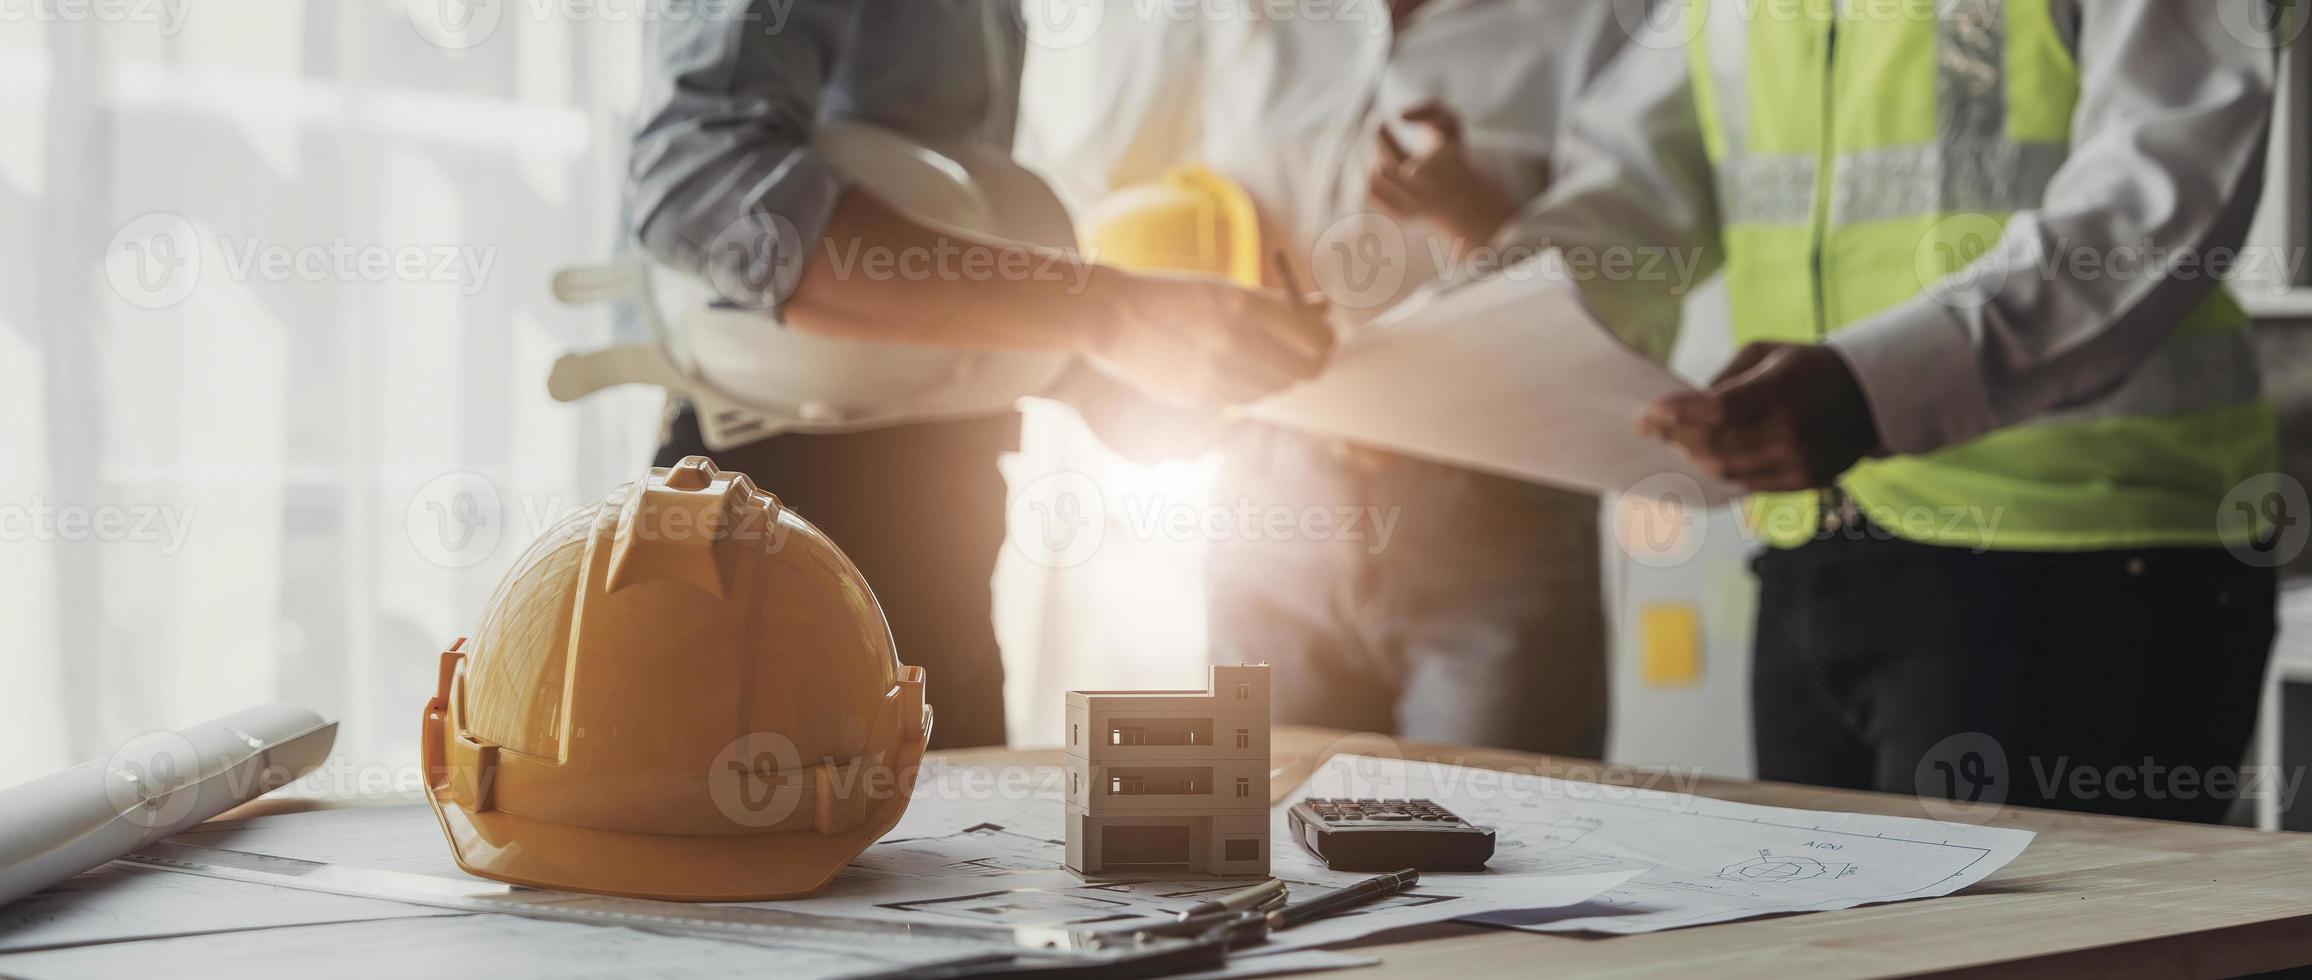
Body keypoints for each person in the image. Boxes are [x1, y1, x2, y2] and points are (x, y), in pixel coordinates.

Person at [1519, 0, 2281, 821]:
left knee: (2011, 951)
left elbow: (2159, 196)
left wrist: (1877, 384)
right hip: (1820, 541)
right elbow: (1631, 193)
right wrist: (1462, 307)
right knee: (1823, 946)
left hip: (2080, 552)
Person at [627, 0, 1332, 749]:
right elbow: (702, 186)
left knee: (959, 855)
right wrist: (1106, 314)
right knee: (748, 848)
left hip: (945, 508)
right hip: (780, 497)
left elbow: (944, 225)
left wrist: (1083, 366)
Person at [1036, 0, 1636, 755]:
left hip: (1493, 505)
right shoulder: (1234, 20)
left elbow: (1637, 275)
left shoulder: (1595, 21)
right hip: (1269, 492)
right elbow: (1123, 201)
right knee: (1267, 833)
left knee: (1499, 838)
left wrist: (1487, 226)